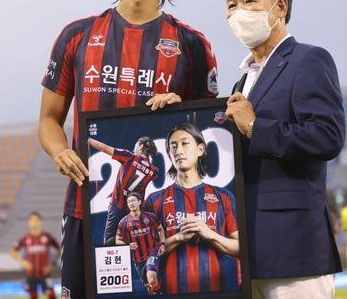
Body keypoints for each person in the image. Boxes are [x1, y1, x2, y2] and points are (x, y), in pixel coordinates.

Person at [37, 0, 218, 299]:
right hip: (84, 207)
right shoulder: (77, 35)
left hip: (154, 217)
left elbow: (209, 130)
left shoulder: (191, 44)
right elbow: (49, 120)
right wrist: (59, 151)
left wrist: (183, 110)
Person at [223, 0, 344, 299]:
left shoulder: (309, 59)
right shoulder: (241, 82)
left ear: (280, 7)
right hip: (246, 251)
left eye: (249, 1)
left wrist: (254, 127)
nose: (238, 11)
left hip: (294, 247)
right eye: (232, 4)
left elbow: (327, 136)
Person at [145, 122, 239, 295]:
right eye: (173, 146)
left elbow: (241, 248)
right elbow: (146, 253)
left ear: (200, 149)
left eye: (185, 143)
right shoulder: (155, 200)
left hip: (217, 292)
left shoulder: (223, 197)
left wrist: (209, 234)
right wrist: (179, 237)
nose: (178, 151)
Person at [88, 136, 159, 245]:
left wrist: (88, 139)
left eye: (135, 146)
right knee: (131, 239)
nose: (133, 149)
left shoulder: (129, 157)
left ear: (141, 147)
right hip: (133, 210)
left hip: (117, 206)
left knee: (109, 242)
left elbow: (104, 148)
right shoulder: (154, 171)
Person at [116, 192, 165, 295]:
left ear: (139, 202)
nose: (131, 203)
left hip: (152, 252)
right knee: (148, 287)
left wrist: (162, 244)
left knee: (152, 279)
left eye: (133, 201)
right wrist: (128, 246)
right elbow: (118, 240)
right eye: (129, 202)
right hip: (138, 258)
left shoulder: (150, 217)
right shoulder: (123, 222)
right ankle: (158, 293)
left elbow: (160, 229)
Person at [10, 211, 61, 299]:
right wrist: (23, 263)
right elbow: (12, 252)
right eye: (32, 220)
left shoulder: (47, 236)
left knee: (51, 296)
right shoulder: (25, 238)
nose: (34, 223)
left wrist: (52, 264)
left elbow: (59, 249)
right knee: (33, 296)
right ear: (29, 222)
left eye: (36, 220)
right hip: (31, 274)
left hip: (45, 273)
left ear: (40, 222)